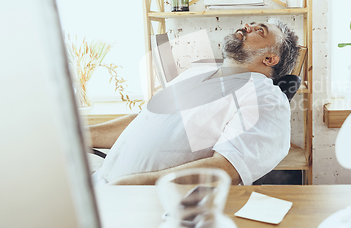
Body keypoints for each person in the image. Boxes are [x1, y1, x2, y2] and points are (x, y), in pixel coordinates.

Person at [90, 18, 300, 186]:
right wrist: (83, 135)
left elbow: (226, 169)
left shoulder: (266, 98)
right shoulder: (198, 72)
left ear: (270, 59)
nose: (247, 26)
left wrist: (132, 185)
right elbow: (146, 122)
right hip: (99, 185)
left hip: (140, 203)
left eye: (260, 30)